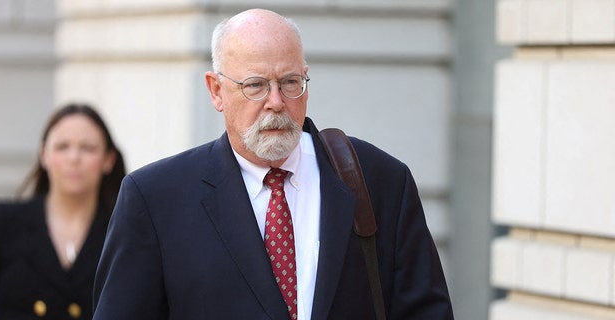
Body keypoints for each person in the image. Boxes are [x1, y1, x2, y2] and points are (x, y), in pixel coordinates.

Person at [93, 8, 453, 320]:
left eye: (290, 82)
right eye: (255, 85)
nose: (276, 102)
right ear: (216, 91)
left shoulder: (381, 182)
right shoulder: (155, 199)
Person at [0, 104, 126, 320]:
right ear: (43, 154)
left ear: (108, 159)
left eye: (88, 148)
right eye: (62, 147)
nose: (74, 158)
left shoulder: (123, 232)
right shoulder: (4, 223)